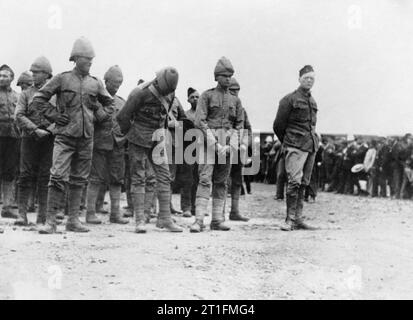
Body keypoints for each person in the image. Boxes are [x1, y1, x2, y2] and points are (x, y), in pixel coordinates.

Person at [30, 37, 115, 234]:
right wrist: (54, 117)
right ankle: (51, 222)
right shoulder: (62, 78)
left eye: (92, 59)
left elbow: (109, 104)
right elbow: (38, 99)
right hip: (65, 137)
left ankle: (73, 220)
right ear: (76, 58)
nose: (90, 62)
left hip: (87, 138)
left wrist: (99, 116)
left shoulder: (96, 83)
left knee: (79, 179)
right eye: (86, 58)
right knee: (58, 176)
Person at [117, 67, 183, 233]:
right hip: (138, 137)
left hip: (158, 137)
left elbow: (165, 116)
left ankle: (165, 218)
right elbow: (122, 117)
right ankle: (139, 220)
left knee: (164, 176)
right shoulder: (140, 93)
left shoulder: (170, 93)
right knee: (138, 177)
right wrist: (131, 134)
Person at [190, 57, 244, 233]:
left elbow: (239, 125)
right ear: (216, 77)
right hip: (208, 146)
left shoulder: (236, 101)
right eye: (224, 75)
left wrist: (231, 146)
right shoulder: (206, 96)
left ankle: (217, 220)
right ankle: (198, 220)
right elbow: (200, 121)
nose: (228, 79)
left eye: (230, 76)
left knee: (222, 182)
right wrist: (215, 144)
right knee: (205, 180)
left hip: (227, 148)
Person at [273, 65, 319, 231]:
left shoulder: (312, 101)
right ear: (299, 79)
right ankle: (289, 219)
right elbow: (278, 125)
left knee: (304, 183)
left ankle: (298, 218)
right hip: (295, 146)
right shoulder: (289, 99)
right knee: (294, 181)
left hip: (310, 146)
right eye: (306, 78)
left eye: (312, 78)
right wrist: (288, 142)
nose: (309, 81)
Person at [85, 65, 129, 225]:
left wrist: (125, 138)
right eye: (114, 82)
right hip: (99, 143)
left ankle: (115, 214)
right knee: (95, 178)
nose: (117, 85)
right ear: (106, 81)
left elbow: (129, 122)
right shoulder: (96, 100)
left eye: (120, 82)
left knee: (117, 180)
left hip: (118, 145)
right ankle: (90, 213)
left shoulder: (122, 102)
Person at [14, 56, 55, 226]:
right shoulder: (25, 94)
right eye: (32, 72)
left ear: (47, 74)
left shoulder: (55, 95)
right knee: (25, 176)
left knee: (45, 177)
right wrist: (34, 129)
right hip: (29, 140)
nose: (34, 76)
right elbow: (19, 115)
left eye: (37, 73)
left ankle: (42, 216)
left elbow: (62, 117)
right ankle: (22, 215)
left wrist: (49, 131)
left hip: (48, 140)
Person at [226, 77, 250, 222]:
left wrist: (244, 144)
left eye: (237, 91)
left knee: (237, 181)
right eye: (232, 91)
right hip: (223, 149)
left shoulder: (241, 110)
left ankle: (234, 211)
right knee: (221, 181)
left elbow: (248, 129)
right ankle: (218, 214)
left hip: (237, 151)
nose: (235, 94)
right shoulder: (220, 109)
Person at [0, 64, 20, 219]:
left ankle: (7, 207)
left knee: (10, 172)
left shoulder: (17, 96)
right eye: (0, 76)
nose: (2, 78)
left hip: (13, 137)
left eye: (6, 76)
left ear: (12, 78)